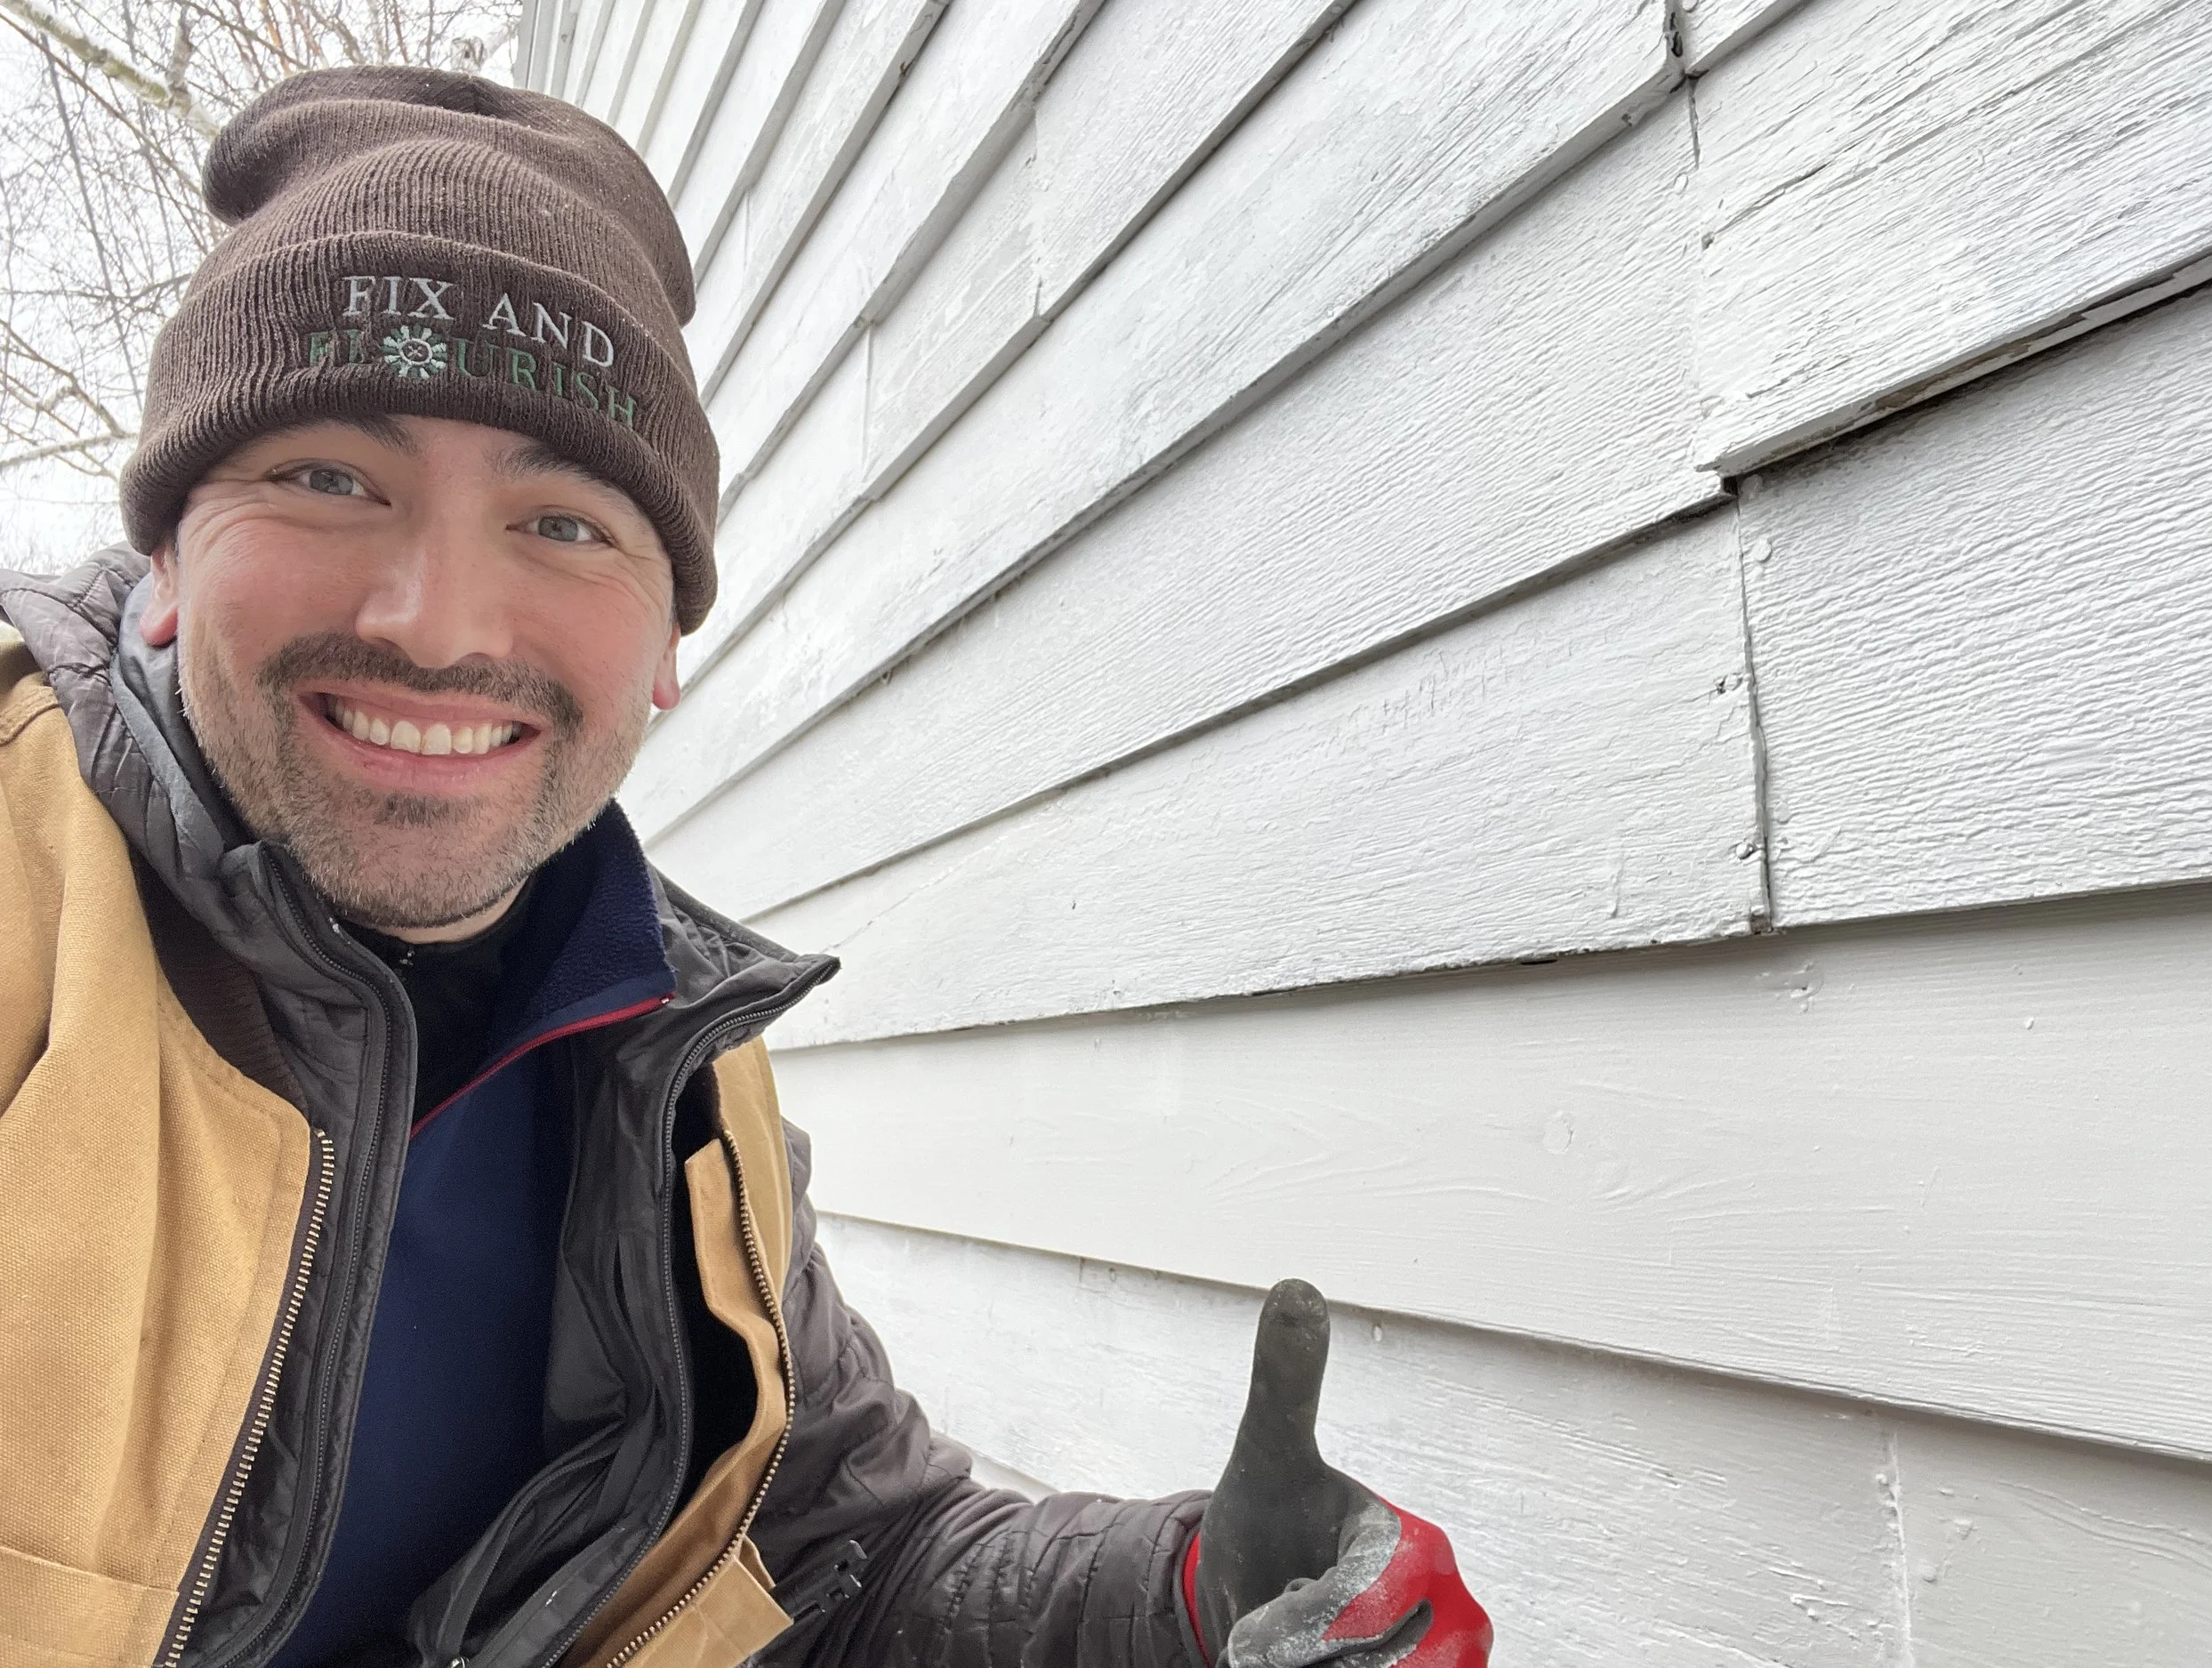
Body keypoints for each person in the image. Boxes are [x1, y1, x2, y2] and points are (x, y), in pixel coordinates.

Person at [0, 68, 1492, 1668]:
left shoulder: (677, 1073)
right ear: (163, 554)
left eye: (563, 519)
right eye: (329, 480)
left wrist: (1185, 1603)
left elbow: (839, 1546)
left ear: (666, 644)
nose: (436, 620)